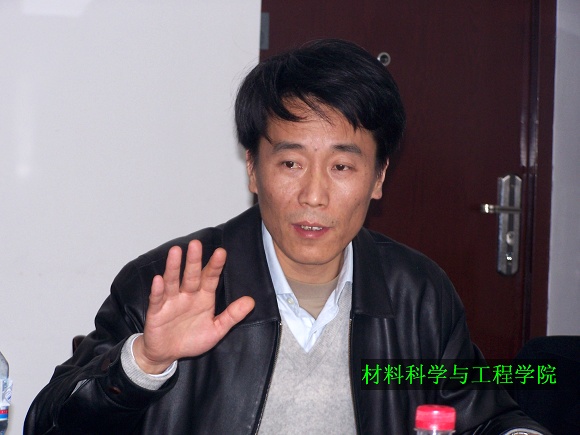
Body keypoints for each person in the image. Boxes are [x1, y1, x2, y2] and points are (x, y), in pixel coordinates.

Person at [24, 39, 549, 434]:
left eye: (342, 166)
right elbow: (46, 424)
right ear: (253, 169)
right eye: (291, 163)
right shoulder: (169, 283)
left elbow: (486, 414)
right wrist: (144, 364)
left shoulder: (416, 293)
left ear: (379, 177)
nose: (314, 195)